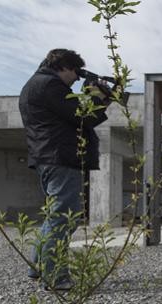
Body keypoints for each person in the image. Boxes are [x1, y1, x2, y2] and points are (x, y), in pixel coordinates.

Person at [19, 48, 109, 291]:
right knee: (63, 219)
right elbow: (83, 117)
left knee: (54, 217)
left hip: (48, 158)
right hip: (60, 158)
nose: (76, 80)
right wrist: (97, 99)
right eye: (75, 74)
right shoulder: (50, 86)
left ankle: (38, 267)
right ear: (64, 67)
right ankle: (56, 276)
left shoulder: (35, 85)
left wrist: (99, 98)